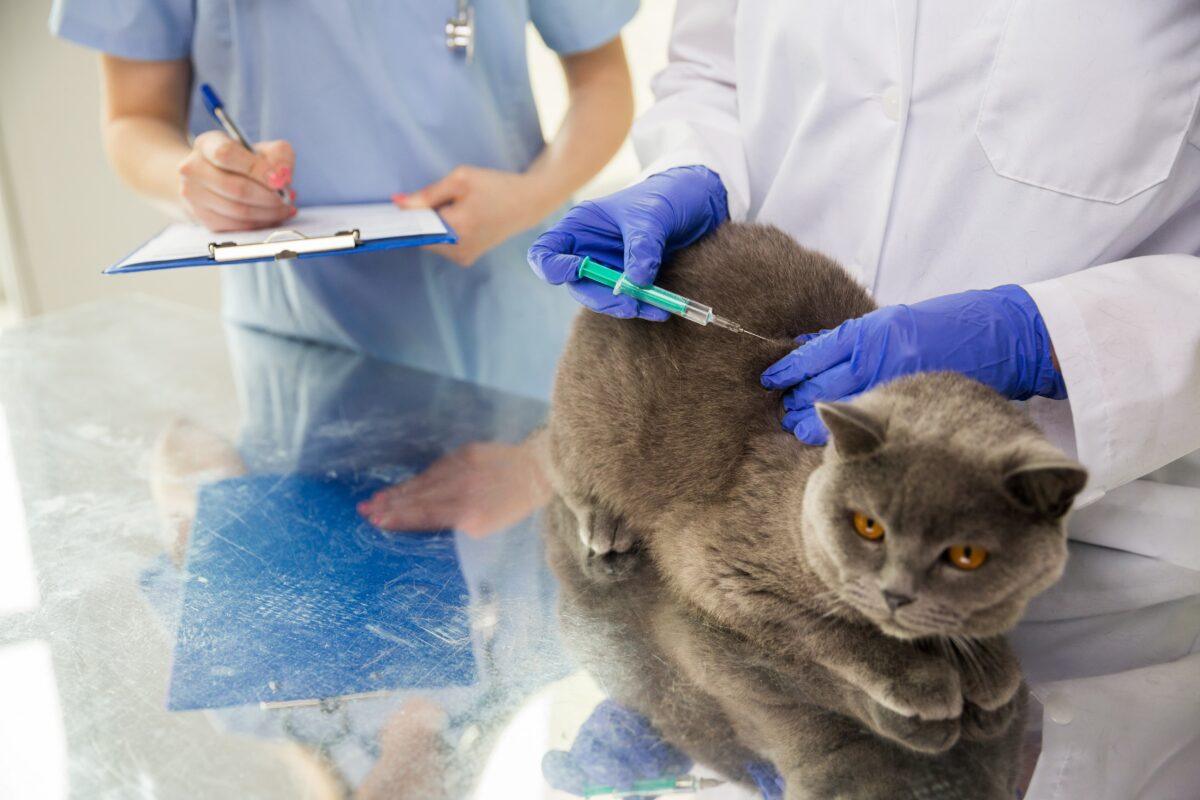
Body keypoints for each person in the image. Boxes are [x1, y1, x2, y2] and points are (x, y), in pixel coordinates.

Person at [527, 3, 1200, 798]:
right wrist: (693, 167)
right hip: (786, 432)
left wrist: (1052, 338)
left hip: (1111, 576)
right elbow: (713, 69)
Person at [51, 0, 639, 400]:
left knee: (525, 537)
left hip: (506, 311)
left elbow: (604, 79)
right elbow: (134, 118)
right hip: (297, 332)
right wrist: (197, 180)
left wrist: (531, 195)